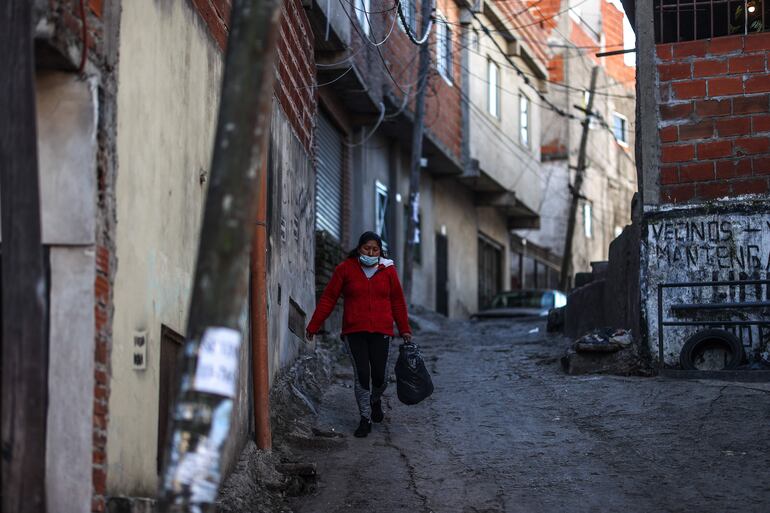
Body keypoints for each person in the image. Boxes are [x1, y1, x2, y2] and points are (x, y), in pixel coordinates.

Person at [306, 231, 412, 438]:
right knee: (362, 374)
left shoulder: (388, 270)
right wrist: (314, 325)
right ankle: (365, 418)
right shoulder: (345, 269)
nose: (371, 253)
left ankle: (375, 400)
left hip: (382, 331)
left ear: (380, 251)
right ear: (359, 248)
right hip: (354, 332)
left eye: (375, 249)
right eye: (367, 248)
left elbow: (397, 301)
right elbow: (329, 298)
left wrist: (404, 329)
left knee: (381, 377)